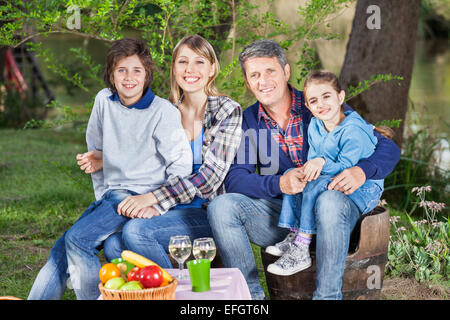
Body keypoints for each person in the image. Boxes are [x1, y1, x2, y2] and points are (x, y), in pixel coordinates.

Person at [206, 39, 401, 300]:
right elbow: (236, 179)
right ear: (247, 81)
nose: (263, 81)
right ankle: (251, 298)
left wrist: (363, 171)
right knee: (222, 206)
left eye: (270, 71)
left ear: (286, 72)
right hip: (286, 215)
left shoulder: (316, 102)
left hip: (334, 212)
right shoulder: (248, 122)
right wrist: (279, 184)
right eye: (254, 75)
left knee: (330, 200)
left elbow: (386, 146)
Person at [28, 38, 192, 300]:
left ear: (147, 74)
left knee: (78, 241)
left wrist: (157, 205)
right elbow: (99, 148)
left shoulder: (163, 112)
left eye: (136, 70)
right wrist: (101, 164)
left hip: (139, 197)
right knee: (61, 252)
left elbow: (181, 167)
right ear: (111, 75)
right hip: (111, 197)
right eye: (121, 70)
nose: (129, 78)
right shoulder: (104, 100)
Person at [94, 35, 243, 270]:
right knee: (114, 244)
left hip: (204, 213)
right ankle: (153, 292)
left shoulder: (226, 110)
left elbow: (209, 178)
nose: (190, 69)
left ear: (212, 68)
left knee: (136, 232)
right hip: (164, 207)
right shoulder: (164, 111)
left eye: (199, 62)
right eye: (183, 62)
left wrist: (154, 200)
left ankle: (175, 292)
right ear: (173, 67)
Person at [266, 70, 393, 276]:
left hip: (362, 187)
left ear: (340, 97)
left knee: (315, 183)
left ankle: (302, 247)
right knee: (292, 174)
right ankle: (294, 233)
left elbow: (346, 165)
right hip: (333, 176)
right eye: (314, 101)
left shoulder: (353, 129)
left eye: (327, 96)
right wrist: (308, 169)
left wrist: (320, 163)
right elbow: (315, 158)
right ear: (308, 106)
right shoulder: (316, 125)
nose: (321, 104)